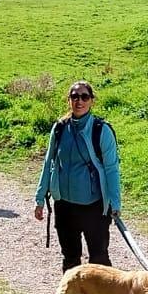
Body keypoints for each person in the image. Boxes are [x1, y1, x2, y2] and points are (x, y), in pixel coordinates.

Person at [33, 81, 121, 272]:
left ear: (91, 101)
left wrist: (115, 202)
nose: (79, 101)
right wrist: (40, 199)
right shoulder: (59, 128)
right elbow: (49, 163)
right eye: (75, 96)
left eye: (84, 97)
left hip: (94, 207)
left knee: (99, 260)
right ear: (69, 101)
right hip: (65, 206)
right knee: (71, 258)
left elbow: (112, 169)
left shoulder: (101, 130)